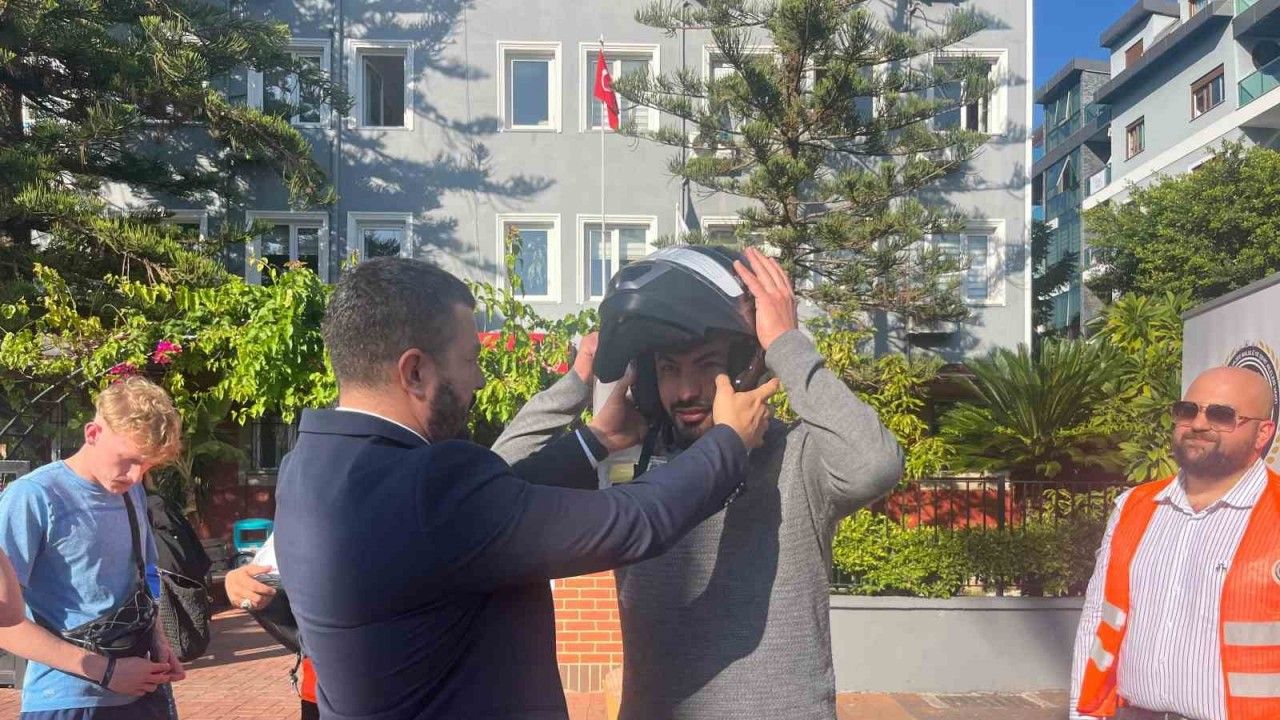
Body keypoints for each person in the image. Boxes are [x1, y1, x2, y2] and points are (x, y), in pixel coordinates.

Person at [272, 257, 777, 720]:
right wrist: (730, 441)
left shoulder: (305, 469)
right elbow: (632, 521)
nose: (478, 382)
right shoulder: (430, 487)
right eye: (470, 360)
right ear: (416, 371)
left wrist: (597, 440)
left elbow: (492, 508)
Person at [492, 246, 905, 720]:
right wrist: (581, 391)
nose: (686, 390)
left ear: (751, 364)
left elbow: (875, 465)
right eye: (669, 369)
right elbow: (492, 498)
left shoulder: (797, 457)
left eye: (707, 364)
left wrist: (786, 344)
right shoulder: (632, 467)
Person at [224, 335, 611, 720]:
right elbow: (272, 576)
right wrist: (242, 585)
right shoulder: (326, 497)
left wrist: (582, 398)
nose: (477, 382)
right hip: (328, 691)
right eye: (468, 362)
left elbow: (508, 455)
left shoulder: (431, 484)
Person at [1071, 366, 1280, 720]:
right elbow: (1096, 621)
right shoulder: (1133, 508)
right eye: (1187, 410)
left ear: (1263, 433)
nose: (1198, 424)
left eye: (1220, 415)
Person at [0, 376, 187, 719]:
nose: (135, 476)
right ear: (93, 434)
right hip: (67, 700)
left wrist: (159, 642)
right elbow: (5, 625)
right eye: (127, 460)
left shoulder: (131, 492)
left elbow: (144, 579)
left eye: (146, 465)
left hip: (142, 694)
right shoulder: (33, 496)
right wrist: (107, 672)